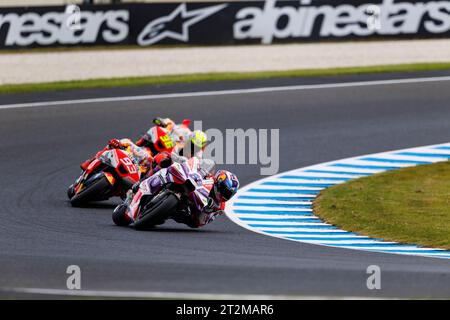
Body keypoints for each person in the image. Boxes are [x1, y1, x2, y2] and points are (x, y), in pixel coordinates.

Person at [80, 138, 153, 176]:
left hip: (127, 172)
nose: (145, 162)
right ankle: (90, 163)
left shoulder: (144, 167)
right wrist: (117, 143)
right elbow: (118, 142)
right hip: (115, 160)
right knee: (104, 152)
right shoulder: (131, 146)